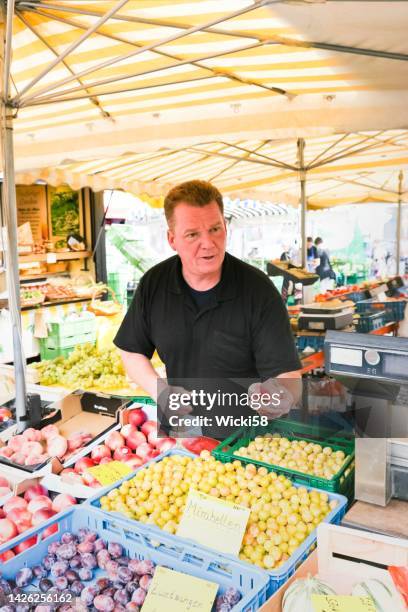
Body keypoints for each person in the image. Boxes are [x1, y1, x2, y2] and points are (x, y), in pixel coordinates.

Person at [114, 180, 302, 429]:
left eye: (215, 229)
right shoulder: (154, 283)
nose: (208, 243)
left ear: (225, 226)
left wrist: (279, 398)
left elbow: (289, 377)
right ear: (172, 239)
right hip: (183, 437)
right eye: (193, 234)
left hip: (247, 443)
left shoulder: (258, 290)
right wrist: (160, 391)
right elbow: (131, 349)